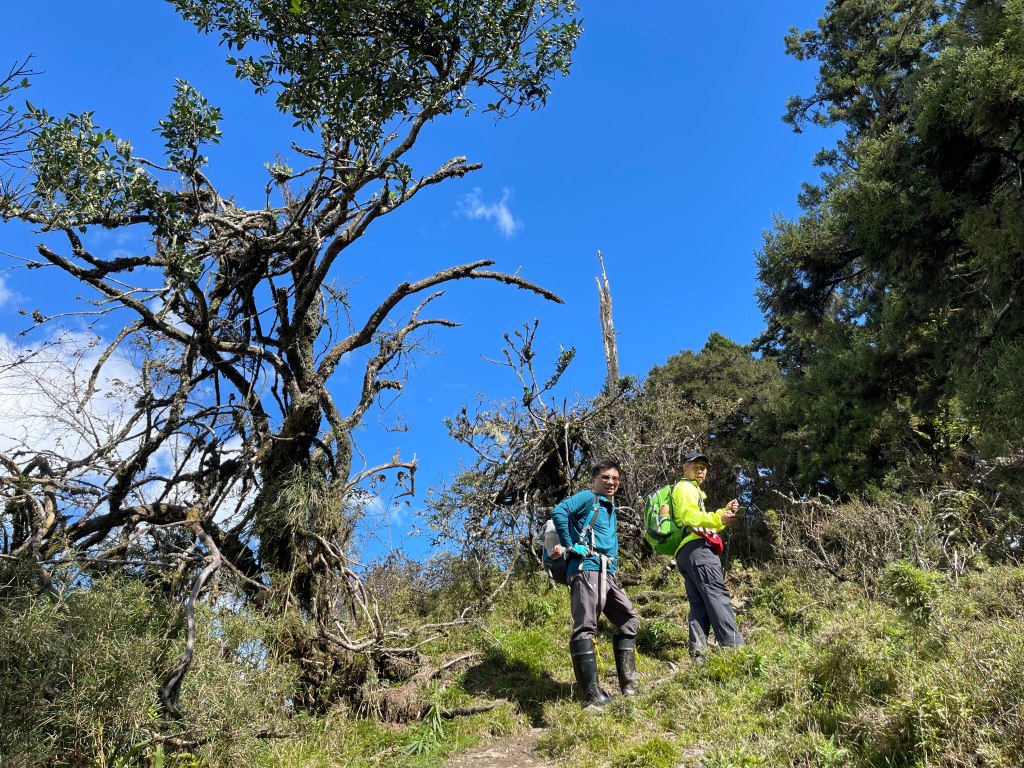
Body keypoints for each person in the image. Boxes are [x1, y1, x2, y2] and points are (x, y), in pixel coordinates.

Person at [551, 459, 640, 709]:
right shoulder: (587, 498)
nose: (611, 482)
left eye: (615, 478)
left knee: (629, 620)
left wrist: (613, 570)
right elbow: (559, 511)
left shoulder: (610, 508)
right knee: (585, 626)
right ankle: (591, 696)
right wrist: (570, 544)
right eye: (605, 477)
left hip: (606, 573)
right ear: (594, 480)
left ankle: (629, 686)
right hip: (586, 568)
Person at [670, 449, 744, 656]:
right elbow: (689, 517)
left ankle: (698, 655)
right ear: (685, 469)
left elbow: (700, 523)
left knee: (699, 604)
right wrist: (719, 519)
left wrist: (723, 514)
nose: (701, 470)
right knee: (717, 595)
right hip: (698, 550)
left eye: (703, 467)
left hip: (686, 552)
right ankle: (734, 649)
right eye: (696, 466)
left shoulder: (690, 490)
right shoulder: (685, 488)